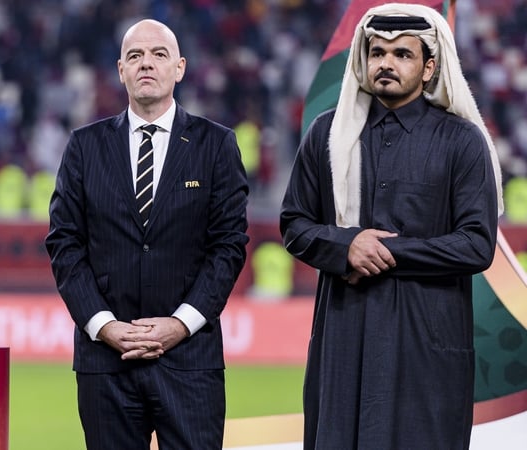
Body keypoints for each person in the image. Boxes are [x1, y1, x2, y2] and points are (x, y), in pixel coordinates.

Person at [280, 4, 503, 449]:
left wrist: (383, 252)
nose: (385, 63)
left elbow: (477, 245)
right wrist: (345, 246)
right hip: (344, 341)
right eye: (377, 52)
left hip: (426, 346)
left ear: (429, 68)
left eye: (403, 54)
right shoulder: (327, 135)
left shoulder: (462, 141)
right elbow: (294, 224)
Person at [45, 18, 249, 450]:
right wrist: (104, 326)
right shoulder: (84, 146)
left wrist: (180, 324)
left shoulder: (217, 145)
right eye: (135, 56)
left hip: (190, 362)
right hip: (106, 363)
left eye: (158, 55)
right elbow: (64, 246)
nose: (146, 64)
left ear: (180, 67)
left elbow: (228, 248)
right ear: (120, 70)